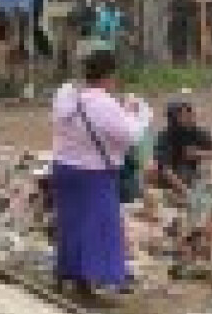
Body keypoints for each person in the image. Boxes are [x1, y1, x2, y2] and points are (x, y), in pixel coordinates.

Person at [51, 49, 151, 301]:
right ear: (109, 75)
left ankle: (65, 275)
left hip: (64, 168)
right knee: (97, 230)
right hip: (94, 174)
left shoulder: (67, 97)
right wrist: (140, 115)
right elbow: (129, 136)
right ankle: (87, 283)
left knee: (70, 225)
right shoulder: (103, 103)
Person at [153, 100, 212, 198]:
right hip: (170, 177)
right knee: (152, 169)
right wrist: (186, 192)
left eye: (190, 113)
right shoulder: (164, 137)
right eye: (185, 115)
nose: (191, 117)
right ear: (174, 119)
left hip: (191, 172)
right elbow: (166, 170)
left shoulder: (198, 132)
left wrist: (198, 154)